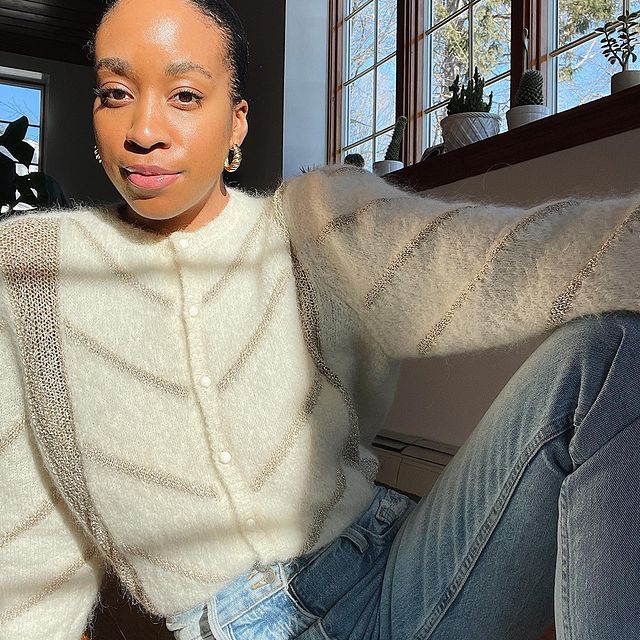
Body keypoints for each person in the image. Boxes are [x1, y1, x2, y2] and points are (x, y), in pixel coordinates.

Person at [0, 0, 638, 638]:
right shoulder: (36, 272)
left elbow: (529, 257)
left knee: (609, 354)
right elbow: (26, 543)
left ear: (236, 123)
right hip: (243, 625)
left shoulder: (314, 225)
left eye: (185, 95)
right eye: (115, 93)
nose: (144, 129)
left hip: (401, 570)